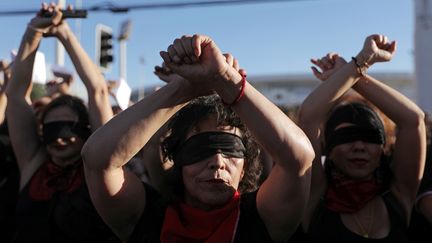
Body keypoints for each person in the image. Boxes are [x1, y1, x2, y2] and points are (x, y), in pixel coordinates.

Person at [82, 34, 315, 243]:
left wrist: (226, 80)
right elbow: (96, 159)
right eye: (200, 148)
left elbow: (300, 157)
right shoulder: (147, 216)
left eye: (230, 148)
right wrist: (185, 88)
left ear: (245, 167)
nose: (217, 160)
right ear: (178, 159)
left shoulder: (263, 217)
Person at [296, 34, 426, 242]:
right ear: (327, 146)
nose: (359, 146)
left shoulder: (399, 195)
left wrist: (350, 72)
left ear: (383, 146)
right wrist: (359, 63)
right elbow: (309, 116)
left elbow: (413, 119)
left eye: (370, 137)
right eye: (345, 137)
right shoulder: (314, 196)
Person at [5, 3, 118, 242]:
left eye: (69, 128)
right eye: (51, 129)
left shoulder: (98, 170)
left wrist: (65, 34)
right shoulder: (34, 165)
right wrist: (33, 32)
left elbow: (97, 90)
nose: (59, 137)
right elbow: (16, 95)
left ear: (87, 130)